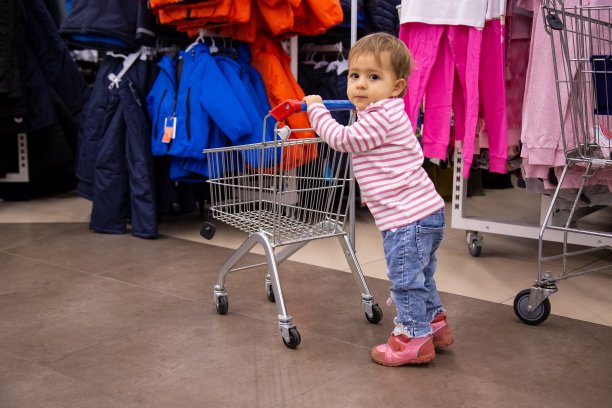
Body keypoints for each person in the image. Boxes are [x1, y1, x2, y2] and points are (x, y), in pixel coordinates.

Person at [303, 32, 453, 366]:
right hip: (423, 212)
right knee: (421, 276)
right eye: (354, 76)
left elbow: (341, 139)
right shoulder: (385, 113)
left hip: (406, 219)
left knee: (405, 281)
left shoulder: (381, 116)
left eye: (373, 77)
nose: (360, 85)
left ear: (397, 86)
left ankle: (413, 340)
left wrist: (316, 111)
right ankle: (435, 325)